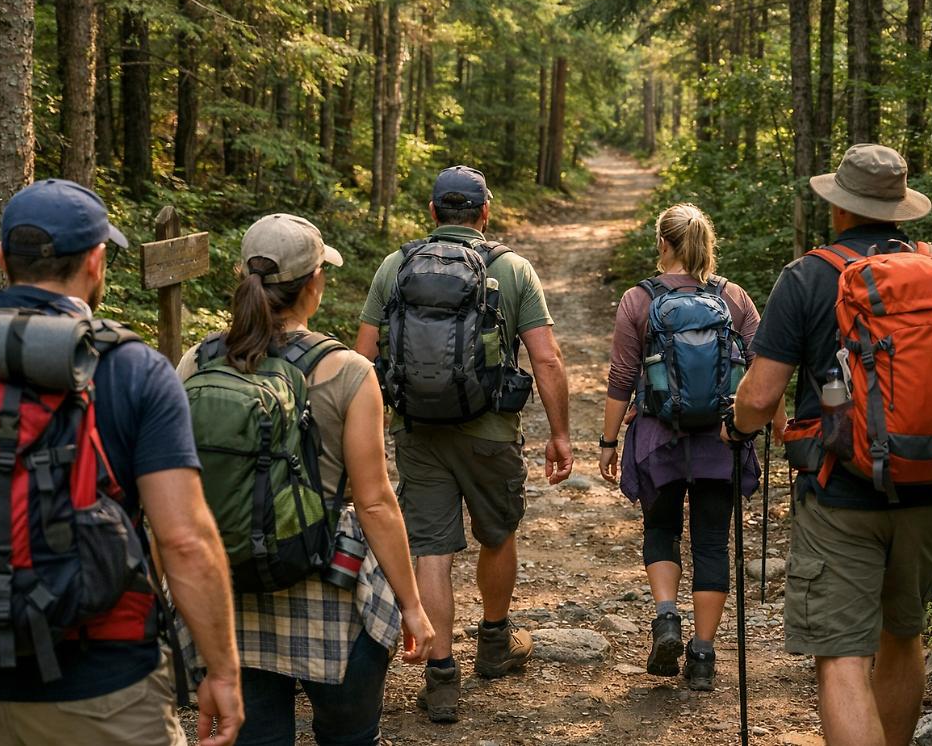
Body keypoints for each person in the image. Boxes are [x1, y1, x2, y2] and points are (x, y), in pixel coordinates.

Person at [0, 180, 243, 746]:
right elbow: (184, 539)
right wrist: (223, 671)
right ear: (96, 260)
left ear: (0, 257)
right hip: (98, 681)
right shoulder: (131, 367)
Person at [727, 145, 932, 746]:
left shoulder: (809, 275)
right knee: (904, 633)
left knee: (841, 655)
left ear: (838, 209)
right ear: (899, 211)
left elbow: (760, 398)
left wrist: (739, 427)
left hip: (840, 493)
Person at [176, 214, 435, 746]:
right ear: (313, 282)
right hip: (331, 592)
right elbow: (376, 503)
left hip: (232, 596)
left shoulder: (196, 363)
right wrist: (411, 605)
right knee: (349, 735)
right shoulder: (348, 371)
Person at [355, 165, 573, 723]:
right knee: (497, 533)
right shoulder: (512, 268)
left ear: (432, 213)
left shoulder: (395, 266)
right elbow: (545, 358)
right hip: (491, 432)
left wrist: (369, 436)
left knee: (431, 546)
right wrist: (561, 433)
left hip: (417, 432)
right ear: (485, 212)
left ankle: (442, 675)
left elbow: (364, 359)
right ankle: (495, 644)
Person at [598, 203, 783, 689]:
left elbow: (621, 376)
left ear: (663, 243)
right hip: (722, 442)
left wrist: (608, 440)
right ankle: (702, 655)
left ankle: (665, 617)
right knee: (710, 543)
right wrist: (782, 430)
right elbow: (767, 369)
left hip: (658, 439)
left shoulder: (639, 300)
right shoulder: (734, 298)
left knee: (660, 529)